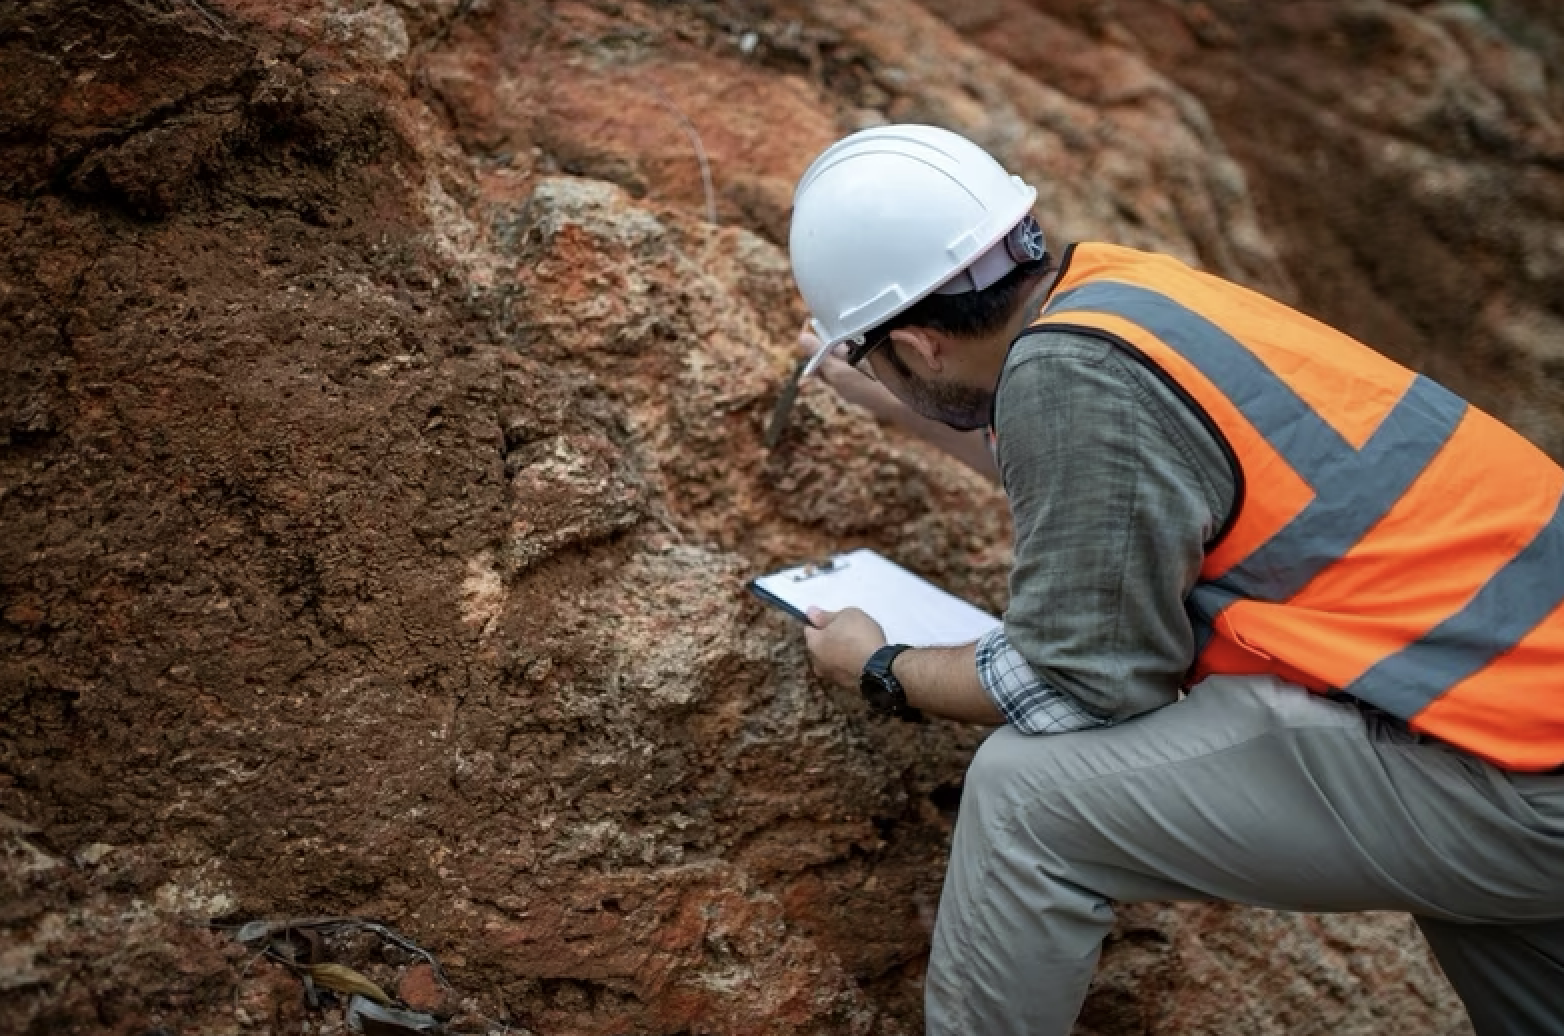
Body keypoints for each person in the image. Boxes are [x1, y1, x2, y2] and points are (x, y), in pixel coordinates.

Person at [786, 124, 1564, 1036]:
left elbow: (1084, 680)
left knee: (1026, 801)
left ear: (917, 347)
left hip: (1516, 780)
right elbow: (1122, 472)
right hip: (1517, 711)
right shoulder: (1119, 290)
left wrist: (881, 665)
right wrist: (896, 406)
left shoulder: (1068, 378)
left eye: (880, 360)